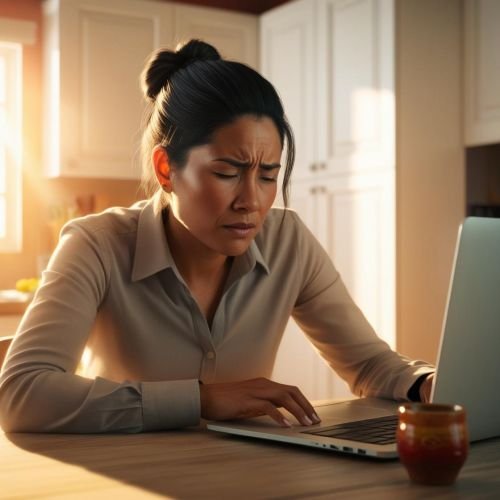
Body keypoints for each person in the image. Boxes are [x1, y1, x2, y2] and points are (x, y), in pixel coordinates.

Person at [0, 40, 434, 433]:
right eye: (227, 173)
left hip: (246, 473)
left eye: (268, 176)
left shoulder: (289, 241)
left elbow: (370, 366)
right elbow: (22, 394)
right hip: (127, 476)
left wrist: (429, 383)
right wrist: (200, 399)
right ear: (166, 169)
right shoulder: (94, 245)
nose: (252, 201)